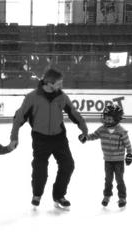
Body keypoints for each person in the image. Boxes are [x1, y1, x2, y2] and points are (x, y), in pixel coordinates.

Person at [9, 68, 88, 208]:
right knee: (40, 169)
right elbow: (19, 117)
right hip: (40, 139)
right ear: (49, 83)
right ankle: (37, 194)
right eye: (58, 83)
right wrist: (14, 137)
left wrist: (84, 129)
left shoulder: (61, 96)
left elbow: (73, 112)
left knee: (68, 165)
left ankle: (59, 195)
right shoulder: (32, 97)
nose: (61, 86)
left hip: (59, 138)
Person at [79, 103, 132, 208]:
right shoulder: (102, 129)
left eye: (110, 119)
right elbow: (94, 136)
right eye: (106, 118)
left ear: (116, 119)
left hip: (119, 160)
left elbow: (127, 143)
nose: (106, 121)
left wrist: (129, 154)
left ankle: (122, 197)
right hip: (107, 160)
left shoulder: (121, 131)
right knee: (108, 179)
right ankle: (107, 196)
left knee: (119, 179)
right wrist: (85, 137)